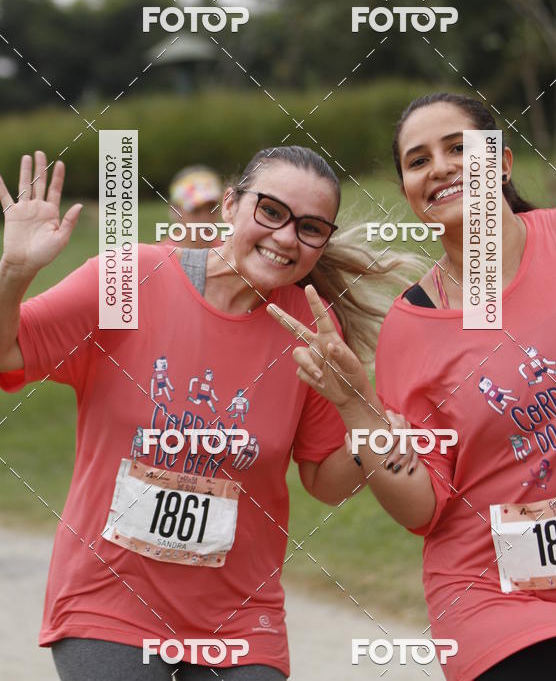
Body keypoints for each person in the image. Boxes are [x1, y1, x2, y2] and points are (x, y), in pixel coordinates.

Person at [0, 145, 420, 681]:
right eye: (271, 211)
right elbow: (8, 352)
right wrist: (13, 270)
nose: (286, 237)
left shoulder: (310, 332)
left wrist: (368, 426)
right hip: (110, 607)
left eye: (311, 227)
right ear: (230, 205)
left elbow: (324, 480)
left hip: (241, 624)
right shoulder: (131, 280)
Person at [269, 94, 556, 681]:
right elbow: (422, 507)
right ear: (410, 192)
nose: (440, 167)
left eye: (457, 148)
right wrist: (355, 405)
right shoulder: (411, 329)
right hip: (494, 597)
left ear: (499, 161)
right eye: (418, 161)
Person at [162, 165, 223, 249]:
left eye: (211, 208)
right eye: (196, 210)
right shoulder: (159, 257)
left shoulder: (233, 254)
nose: (205, 218)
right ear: (175, 211)